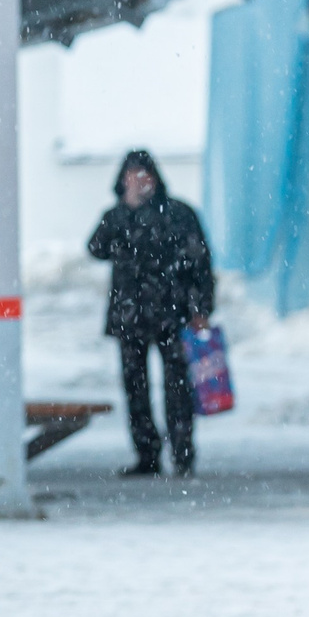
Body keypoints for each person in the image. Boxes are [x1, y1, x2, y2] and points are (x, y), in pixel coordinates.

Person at [86, 149, 215, 478]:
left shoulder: (179, 214)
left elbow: (200, 263)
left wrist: (201, 308)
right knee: (135, 389)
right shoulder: (116, 216)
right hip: (131, 318)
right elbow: (96, 248)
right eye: (133, 176)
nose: (140, 183)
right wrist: (125, 209)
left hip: (173, 315)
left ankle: (183, 454)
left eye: (145, 175)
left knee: (178, 388)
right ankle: (147, 455)